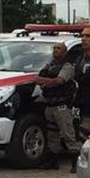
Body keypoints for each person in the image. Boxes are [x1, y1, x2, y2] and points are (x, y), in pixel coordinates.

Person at [34, 42, 80, 170]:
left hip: (62, 106)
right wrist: (47, 82)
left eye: (59, 48)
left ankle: (76, 162)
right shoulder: (50, 65)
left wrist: (45, 82)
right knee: (52, 134)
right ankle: (53, 161)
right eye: (54, 48)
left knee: (68, 134)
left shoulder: (67, 66)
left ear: (65, 52)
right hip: (50, 104)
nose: (55, 50)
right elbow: (37, 78)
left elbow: (59, 81)